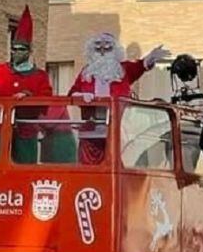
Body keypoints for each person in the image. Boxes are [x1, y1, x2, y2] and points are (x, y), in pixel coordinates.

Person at [0, 6, 54, 163]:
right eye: (13, 49)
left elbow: (46, 99)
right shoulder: (1, 70)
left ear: (29, 51)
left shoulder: (40, 76)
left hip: (26, 129)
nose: (15, 52)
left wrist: (28, 96)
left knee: (24, 169)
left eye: (20, 49)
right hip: (0, 127)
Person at [68, 33, 171, 164]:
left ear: (115, 50)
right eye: (98, 49)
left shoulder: (123, 70)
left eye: (107, 48)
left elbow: (139, 67)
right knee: (90, 168)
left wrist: (150, 59)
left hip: (119, 129)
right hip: (92, 131)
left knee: (116, 165)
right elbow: (72, 93)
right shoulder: (86, 72)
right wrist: (81, 96)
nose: (103, 52)